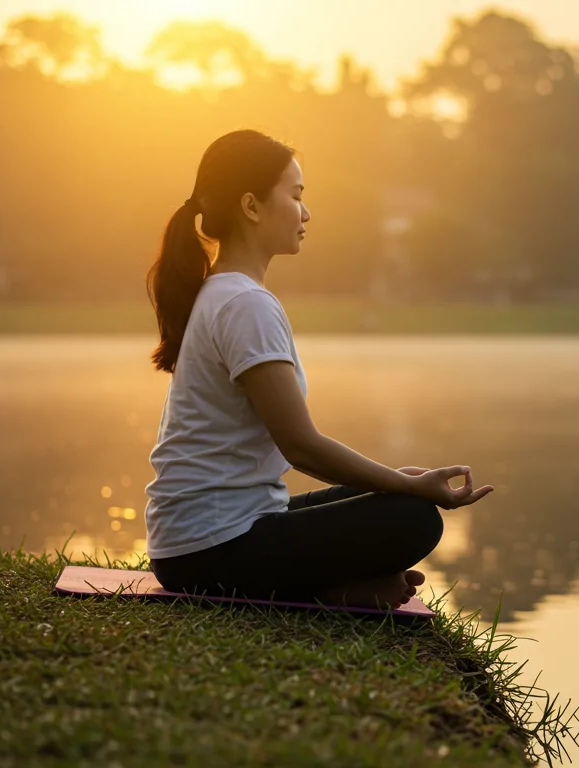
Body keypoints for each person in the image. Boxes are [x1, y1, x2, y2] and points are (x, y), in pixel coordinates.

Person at [142, 129, 492, 610]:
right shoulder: (245, 304)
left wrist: (401, 478)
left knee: (403, 485)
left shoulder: (224, 292)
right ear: (251, 205)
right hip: (209, 551)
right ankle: (336, 591)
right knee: (415, 517)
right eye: (296, 195)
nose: (306, 213)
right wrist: (407, 487)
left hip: (202, 538)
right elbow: (302, 446)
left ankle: (345, 586)